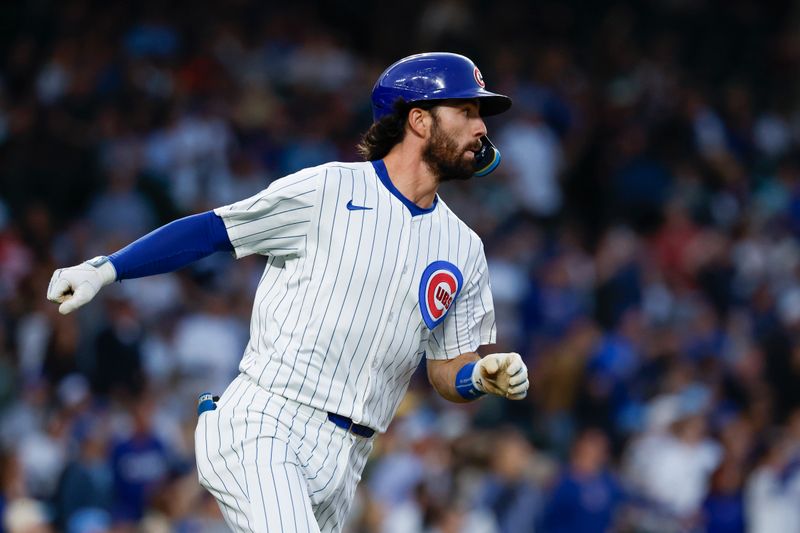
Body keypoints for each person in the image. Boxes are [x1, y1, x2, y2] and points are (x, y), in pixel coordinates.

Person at [46, 52, 530, 533]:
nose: (481, 128)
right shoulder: (329, 189)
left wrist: (478, 377)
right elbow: (215, 229)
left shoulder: (464, 247)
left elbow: (446, 369)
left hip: (351, 456)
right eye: (466, 112)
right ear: (419, 120)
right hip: (268, 422)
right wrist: (107, 268)